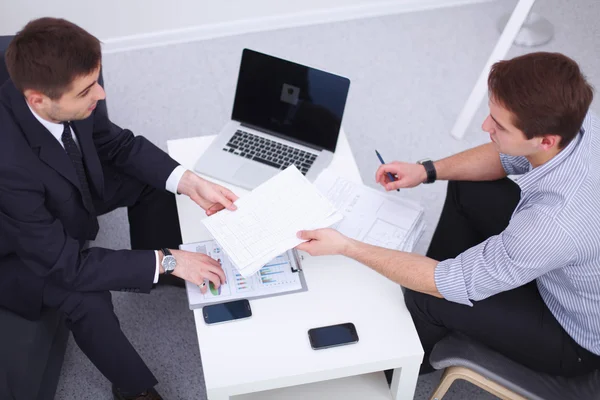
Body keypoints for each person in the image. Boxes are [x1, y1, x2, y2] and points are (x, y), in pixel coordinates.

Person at [296, 52, 600, 378]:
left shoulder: (550, 224)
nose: (485, 126)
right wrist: (426, 171)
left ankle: (396, 370)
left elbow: (446, 283)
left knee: (430, 296)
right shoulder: (578, 122)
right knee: (466, 188)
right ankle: (438, 296)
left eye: (499, 125)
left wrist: (347, 246)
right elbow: (507, 156)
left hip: (571, 334)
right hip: (560, 264)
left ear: (546, 141)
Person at [0, 18, 238, 400]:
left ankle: (159, 272)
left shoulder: (72, 96)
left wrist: (189, 181)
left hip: (61, 191)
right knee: (84, 298)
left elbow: (117, 145)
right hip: (15, 250)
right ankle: (134, 389)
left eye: (97, 81)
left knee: (152, 181)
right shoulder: (7, 165)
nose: (101, 95)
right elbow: (67, 266)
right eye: (86, 91)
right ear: (38, 100)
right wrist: (167, 259)